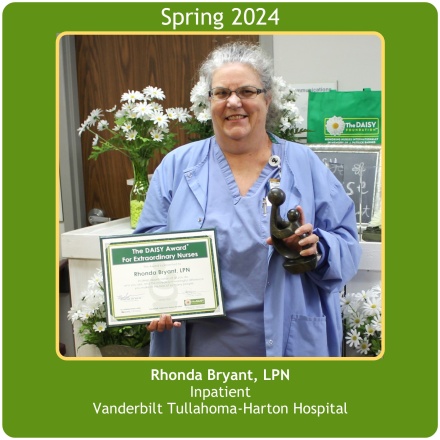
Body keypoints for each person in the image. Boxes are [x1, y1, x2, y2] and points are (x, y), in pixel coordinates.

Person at [134, 41, 361, 357]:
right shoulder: (177, 166)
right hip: (200, 352)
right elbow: (147, 249)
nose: (233, 101)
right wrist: (152, 300)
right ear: (209, 101)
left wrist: (316, 249)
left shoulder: (304, 164)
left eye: (247, 91)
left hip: (289, 347)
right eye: (221, 93)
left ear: (267, 99)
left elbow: (347, 244)